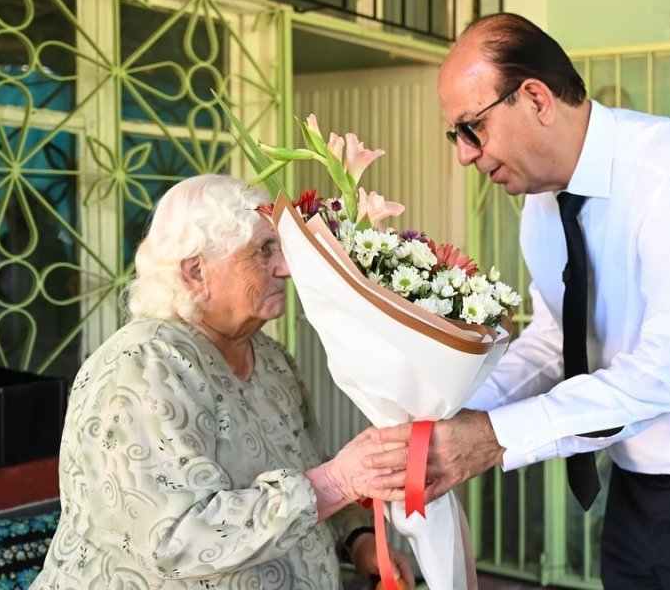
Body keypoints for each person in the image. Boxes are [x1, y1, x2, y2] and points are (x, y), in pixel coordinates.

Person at [369, 13, 670, 589]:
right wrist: (445, 412)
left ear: (535, 97)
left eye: (472, 129)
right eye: (455, 135)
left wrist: (491, 439)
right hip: (638, 486)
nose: (464, 155)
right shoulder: (540, 207)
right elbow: (557, 338)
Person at [32, 175, 414, 590]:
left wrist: (356, 540)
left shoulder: (271, 359)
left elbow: (308, 467)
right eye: (262, 250)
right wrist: (339, 482)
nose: (285, 268)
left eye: (279, 248)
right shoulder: (143, 366)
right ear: (196, 272)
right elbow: (175, 538)